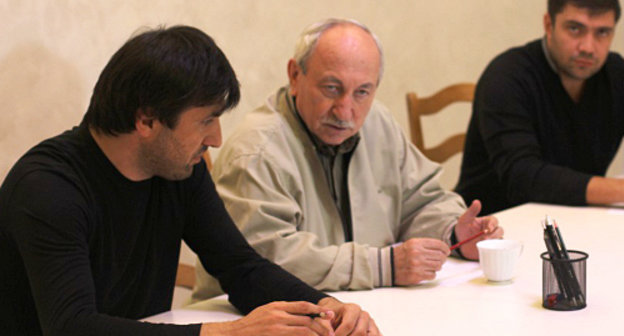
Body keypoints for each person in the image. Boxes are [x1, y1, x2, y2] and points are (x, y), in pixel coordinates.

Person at [0, 25, 380, 336]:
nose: (215, 139)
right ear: (147, 120)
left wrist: (325, 306)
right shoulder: (47, 189)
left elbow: (239, 266)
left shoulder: (180, 169)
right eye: (206, 120)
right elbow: (72, 327)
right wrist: (229, 333)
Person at [192, 18, 503, 301]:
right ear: (295, 75)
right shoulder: (256, 151)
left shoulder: (377, 122)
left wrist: (454, 232)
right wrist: (384, 267)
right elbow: (264, 264)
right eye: (331, 88)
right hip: (252, 318)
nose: (345, 111)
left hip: (358, 306)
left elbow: (421, 200)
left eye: (362, 92)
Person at [456, 0, 624, 215]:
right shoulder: (506, 76)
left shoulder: (615, 74)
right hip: (496, 228)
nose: (588, 47)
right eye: (575, 29)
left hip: (577, 217)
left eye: (602, 32)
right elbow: (523, 178)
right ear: (548, 24)